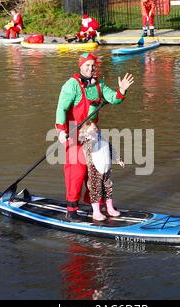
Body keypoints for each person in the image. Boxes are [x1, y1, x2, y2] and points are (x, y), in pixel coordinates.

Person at [55, 53, 134, 218]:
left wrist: (122, 90)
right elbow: (61, 109)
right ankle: (71, 211)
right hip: (73, 135)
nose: (90, 68)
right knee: (77, 172)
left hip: (91, 133)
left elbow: (114, 99)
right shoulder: (71, 85)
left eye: (93, 65)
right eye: (87, 65)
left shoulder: (99, 84)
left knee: (98, 170)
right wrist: (61, 131)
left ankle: (98, 205)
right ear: (80, 66)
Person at [79, 121, 124, 221]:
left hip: (106, 169)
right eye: (91, 130)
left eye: (96, 129)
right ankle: (96, 212)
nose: (95, 131)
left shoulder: (104, 140)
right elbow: (88, 149)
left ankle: (110, 208)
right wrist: (88, 137)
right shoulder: (87, 143)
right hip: (95, 170)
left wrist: (118, 160)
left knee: (108, 188)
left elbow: (111, 150)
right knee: (96, 189)